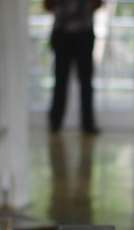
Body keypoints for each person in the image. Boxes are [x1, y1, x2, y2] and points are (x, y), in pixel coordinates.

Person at [44, 0, 102, 134]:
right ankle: (55, 123)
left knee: (86, 80)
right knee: (60, 80)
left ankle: (88, 124)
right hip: (62, 34)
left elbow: (98, 4)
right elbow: (47, 5)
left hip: (84, 34)